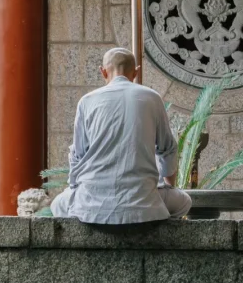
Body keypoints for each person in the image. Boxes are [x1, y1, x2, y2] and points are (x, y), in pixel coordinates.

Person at [49, 47, 191, 224]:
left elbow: (78, 155)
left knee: (57, 204)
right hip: (144, 208)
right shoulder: (152, 98)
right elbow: (167, 149)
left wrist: (76, 188)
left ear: (103, 71)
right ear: (136, 72)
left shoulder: (86, 101)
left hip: (92, 207)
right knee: (184, 201)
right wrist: (169, 188)